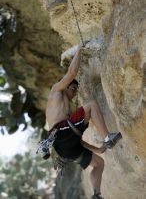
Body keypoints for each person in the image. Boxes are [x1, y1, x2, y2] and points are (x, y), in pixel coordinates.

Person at [45, 45, 122, 199]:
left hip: (66, 148)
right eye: (72, 88)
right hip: (60, 136)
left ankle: (96, 194)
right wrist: (79, 49)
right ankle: (107, 136)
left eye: (75, 90)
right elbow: (72, 73)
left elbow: (76, 139)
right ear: (64, 85)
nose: (74, 92)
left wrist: (98, 149)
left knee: (99, 163)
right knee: (91, 104)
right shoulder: (56, 91)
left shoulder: (67, 113)